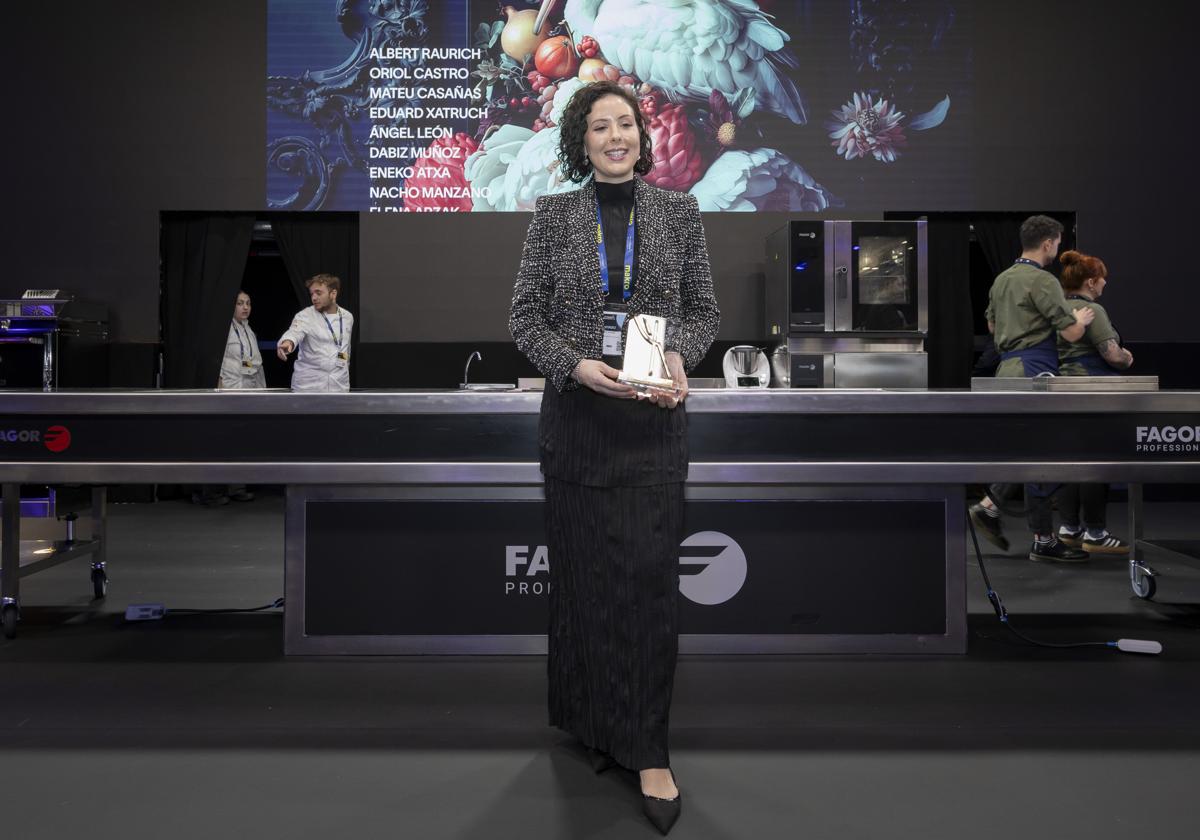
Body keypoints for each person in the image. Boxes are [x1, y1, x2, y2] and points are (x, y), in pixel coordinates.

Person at [508, 80, 719, 835]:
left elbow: (703, 312)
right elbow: (524, 318)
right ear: (582, 140)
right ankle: (591, 723)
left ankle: (649, 749)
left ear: (642, 132)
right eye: (599, 127)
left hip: (652, 428)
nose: (615, 136)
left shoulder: (680, 212)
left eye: (624, 123)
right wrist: (573, 364)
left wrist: (677, 358)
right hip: (578, 424)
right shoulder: (554, 215)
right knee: (582, 585)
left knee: (647, 590)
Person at [968, 215, 1096, 562]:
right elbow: (1070, 333)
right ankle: (1032, 533)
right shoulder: (1043, 281)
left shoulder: (1002, 280)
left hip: (1006, 370)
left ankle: (995, 509)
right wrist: (1081, 321)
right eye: (1058, 242)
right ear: (1048, 243)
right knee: (1043, 453)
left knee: (1026, 452)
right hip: (1035, 370)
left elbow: (993, 326)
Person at [1053, 250, 1132, 554]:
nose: (1104, 286)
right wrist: (1128, 357)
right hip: (1090, 390)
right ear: (1090, 281)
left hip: (1061, 390)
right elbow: (1112, 354)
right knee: (1096, 463)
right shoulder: (1093, 311)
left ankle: (1069, 527)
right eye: (1102, 280)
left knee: (1070, 462)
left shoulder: (1057, 311)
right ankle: (1096, 533)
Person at [196, 290, 265, 506]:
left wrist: (262, 393)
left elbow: (256, 364)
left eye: (248, 303)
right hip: (228, 391)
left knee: (241, 441)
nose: (245, 307)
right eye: (240, 303)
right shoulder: (224, 330)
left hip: (247, 392)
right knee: (219, 442)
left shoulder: (249, 331)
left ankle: (237, 487)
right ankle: (211, 492)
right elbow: (216, 362)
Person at [276, 274, 354, 392]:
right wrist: (288, 342)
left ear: (333, 294)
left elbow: (346, 349)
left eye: (318, 293)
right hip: (309, 386)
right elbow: (294, 332)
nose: (314, 298)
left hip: (339, 385)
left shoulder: (347, 317)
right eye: (312, 293)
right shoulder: (305, 315)